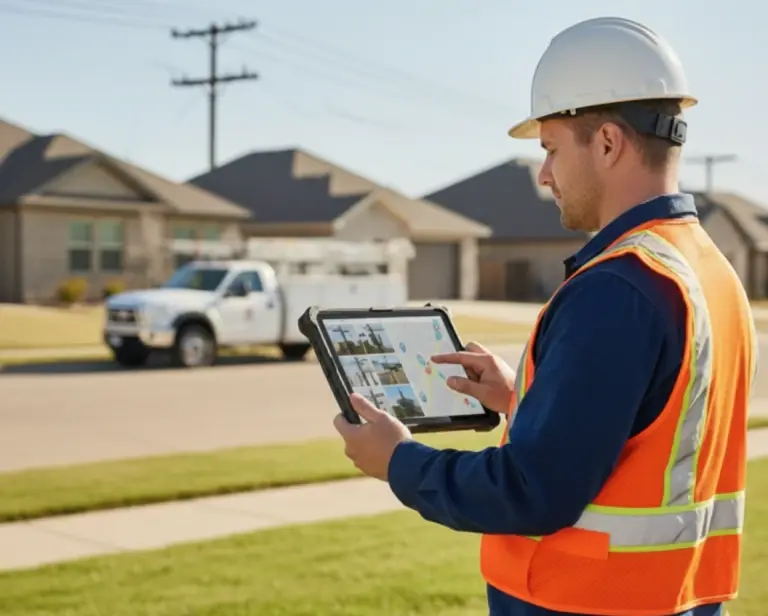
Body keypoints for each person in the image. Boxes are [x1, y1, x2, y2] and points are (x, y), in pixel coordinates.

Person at [332, 16, 758, 616]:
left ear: (607, 143)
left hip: (583, 603)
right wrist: (525, 402)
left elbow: (534, 491)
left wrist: (399, 462)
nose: (544, 174)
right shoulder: (708, 270)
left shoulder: (618, 286)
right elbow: (650, 432)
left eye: (552, 149)